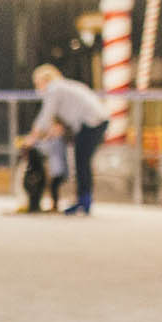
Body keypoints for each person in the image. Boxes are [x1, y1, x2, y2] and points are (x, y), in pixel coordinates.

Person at [20, 64, 110, 215]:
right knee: (82, 161)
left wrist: (32, 137)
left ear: (45, 80)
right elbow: (64, 117)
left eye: (37, 83)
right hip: (97, 121)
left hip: (91, 123)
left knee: (82, 161)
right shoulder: (66, 87)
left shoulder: (54, 89)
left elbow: (46, 116)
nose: (37, 88)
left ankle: (84, 202)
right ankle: (83, 200)